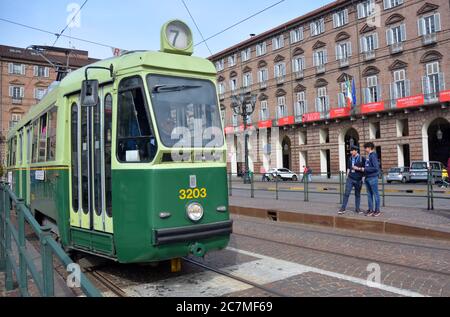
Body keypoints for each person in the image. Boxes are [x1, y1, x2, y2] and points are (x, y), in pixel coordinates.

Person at [354, 142, 381, 217]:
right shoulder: (369, 156)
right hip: (368, 177)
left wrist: (363, 169)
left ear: (369, 148)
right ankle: (371, 209)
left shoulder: (373, 156)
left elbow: (376, 168)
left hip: (372, 177)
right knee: (369, 195)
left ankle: (377, 210)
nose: (365, 149)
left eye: (365, 148)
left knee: (375, 195)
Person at [338, 146, 365, 215]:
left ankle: (357, 209)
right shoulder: (350, 158)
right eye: (350, 151)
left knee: (357, 194)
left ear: (356, 151)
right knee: (346, 193)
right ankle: (343, 208)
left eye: (352, 151)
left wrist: (362, 177)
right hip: (350, 178)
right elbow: (348, 168)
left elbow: (365, 169)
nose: (351, 152)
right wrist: (347, 176)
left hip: (358, 179)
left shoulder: (362, 159)